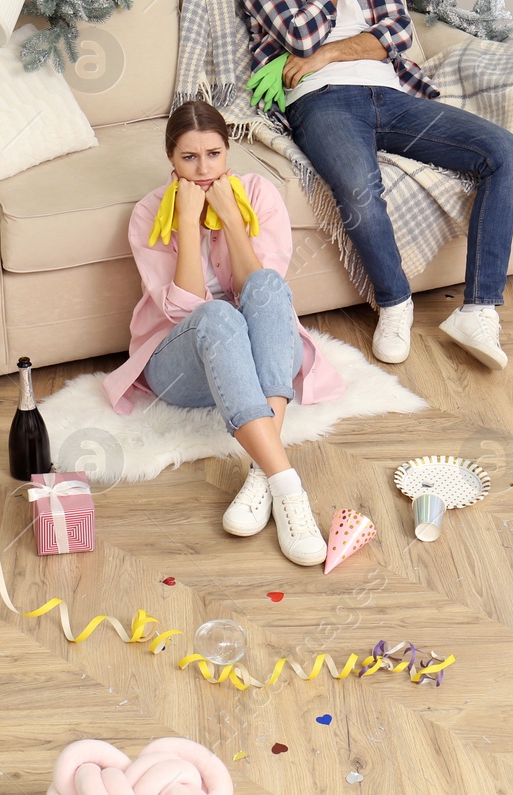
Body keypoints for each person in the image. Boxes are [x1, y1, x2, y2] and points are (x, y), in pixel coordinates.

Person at [239, 0, 513, 370]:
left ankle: (479, 309)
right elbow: (300, 38)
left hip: (391, 95)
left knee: (506, 152)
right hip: (320, 101)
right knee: (357, 189)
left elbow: (395, 35)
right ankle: (395, 303)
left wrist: (329, 53)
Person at [103, 100, 345, 566]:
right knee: (218, 315)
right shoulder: (149, 213)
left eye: (213, 154)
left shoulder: (258, 193)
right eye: (188, 158)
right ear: (170, 159)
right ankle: (290, 490)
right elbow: (184, 310)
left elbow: (262, 289)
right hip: (181, 365)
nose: (202, 169)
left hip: (254, 360)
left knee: (269, 287)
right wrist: (187, 223)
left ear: (228, 149)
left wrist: (232, 218)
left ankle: (263, 473)